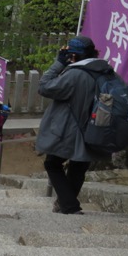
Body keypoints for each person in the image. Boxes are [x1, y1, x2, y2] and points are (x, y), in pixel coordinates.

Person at [36, 35, 111, 215]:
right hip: (94, 128)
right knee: (79, 164)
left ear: (74, 56)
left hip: (70, 129)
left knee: (53, 163)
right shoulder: (105, 71)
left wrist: (58, 64)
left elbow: (44, 87)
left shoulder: (75, 74)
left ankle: (69, 205)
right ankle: (65, 204)